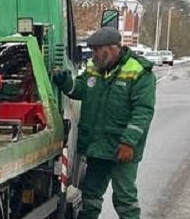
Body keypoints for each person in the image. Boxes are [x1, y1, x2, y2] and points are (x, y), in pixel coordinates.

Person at [52, 27, 156, 219]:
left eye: (97, 50)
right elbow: (80, 89)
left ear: (112, 48)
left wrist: (128, 142)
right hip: (98, 147)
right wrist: (66, 83)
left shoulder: (139, 71)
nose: (94, 55)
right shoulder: (95, 68)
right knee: (90, 195)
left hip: (122, 148)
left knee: (124, 198)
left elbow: (143, 111)